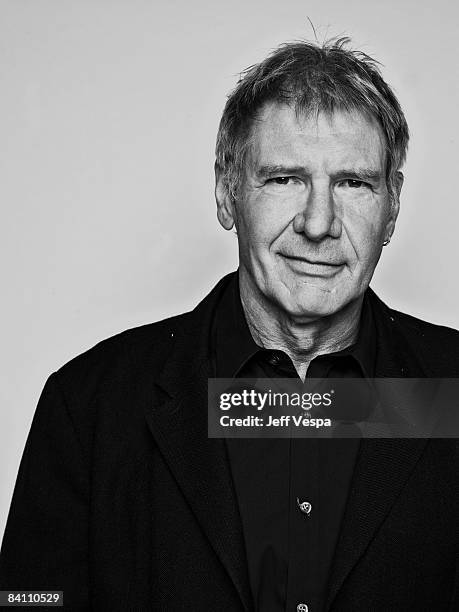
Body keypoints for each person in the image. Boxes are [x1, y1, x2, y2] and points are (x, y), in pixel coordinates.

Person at [1, 37, 458, 611]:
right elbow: (29, 601)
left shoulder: (453, 391)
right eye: (284, 179)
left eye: (353, 183)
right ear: (226, 192)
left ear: (391, 208)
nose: (318, 223)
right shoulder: (88, 407)